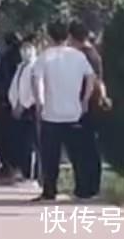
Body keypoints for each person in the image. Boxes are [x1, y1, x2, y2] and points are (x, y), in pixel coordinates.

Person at [32, 21, 96, 201]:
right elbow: (91, 77)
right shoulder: (78, 56)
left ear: (49, 37)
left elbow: (37, 81)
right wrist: (85, 99)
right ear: (67, 36)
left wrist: (40, 102)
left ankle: (50, 189)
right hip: (74, 113)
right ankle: (82, 189)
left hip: (51, 114)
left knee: (50, 156)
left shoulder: (45, 57)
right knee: (78, 155)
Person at [69, 20, 109, 199]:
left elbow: (91, 81)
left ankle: (85, 187)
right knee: (90, 147)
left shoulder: (83, 56)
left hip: (85, 106)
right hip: (92, 105)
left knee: (82, 148)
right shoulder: (93, 54)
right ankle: (90, 185)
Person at [0, 32, 23, 182]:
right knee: (13, 137)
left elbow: (5, 80)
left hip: (5, 101)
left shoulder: (8, 58)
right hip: (14, 101)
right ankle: (12, 167)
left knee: (4, 137)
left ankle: (9, 167)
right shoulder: (18, 57)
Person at [8, 33, 40, 181]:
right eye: (24, 48)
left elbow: (35, 90)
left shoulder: (35, 66)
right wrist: (14, 104)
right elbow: (14, 88)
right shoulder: (21, 66)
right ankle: (20, 169)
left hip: (29, 109)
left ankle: (30, 173)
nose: (25, 51)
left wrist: (23, 105)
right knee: (20, 142)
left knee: (30, 143)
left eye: (29, 47)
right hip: (17, 109)